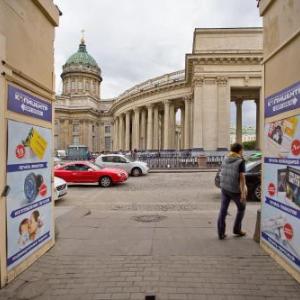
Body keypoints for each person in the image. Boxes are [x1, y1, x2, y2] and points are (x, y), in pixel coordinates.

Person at [217, 143, 247, 240]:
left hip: (224, 187)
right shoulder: (240, 161)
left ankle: (221, 233)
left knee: (223, 210)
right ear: (239, 150)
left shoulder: (225, 158)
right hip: (234, 189)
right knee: (242, 207)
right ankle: (237, 229)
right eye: (242, 150)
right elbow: (242, 178)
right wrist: (242, 192)